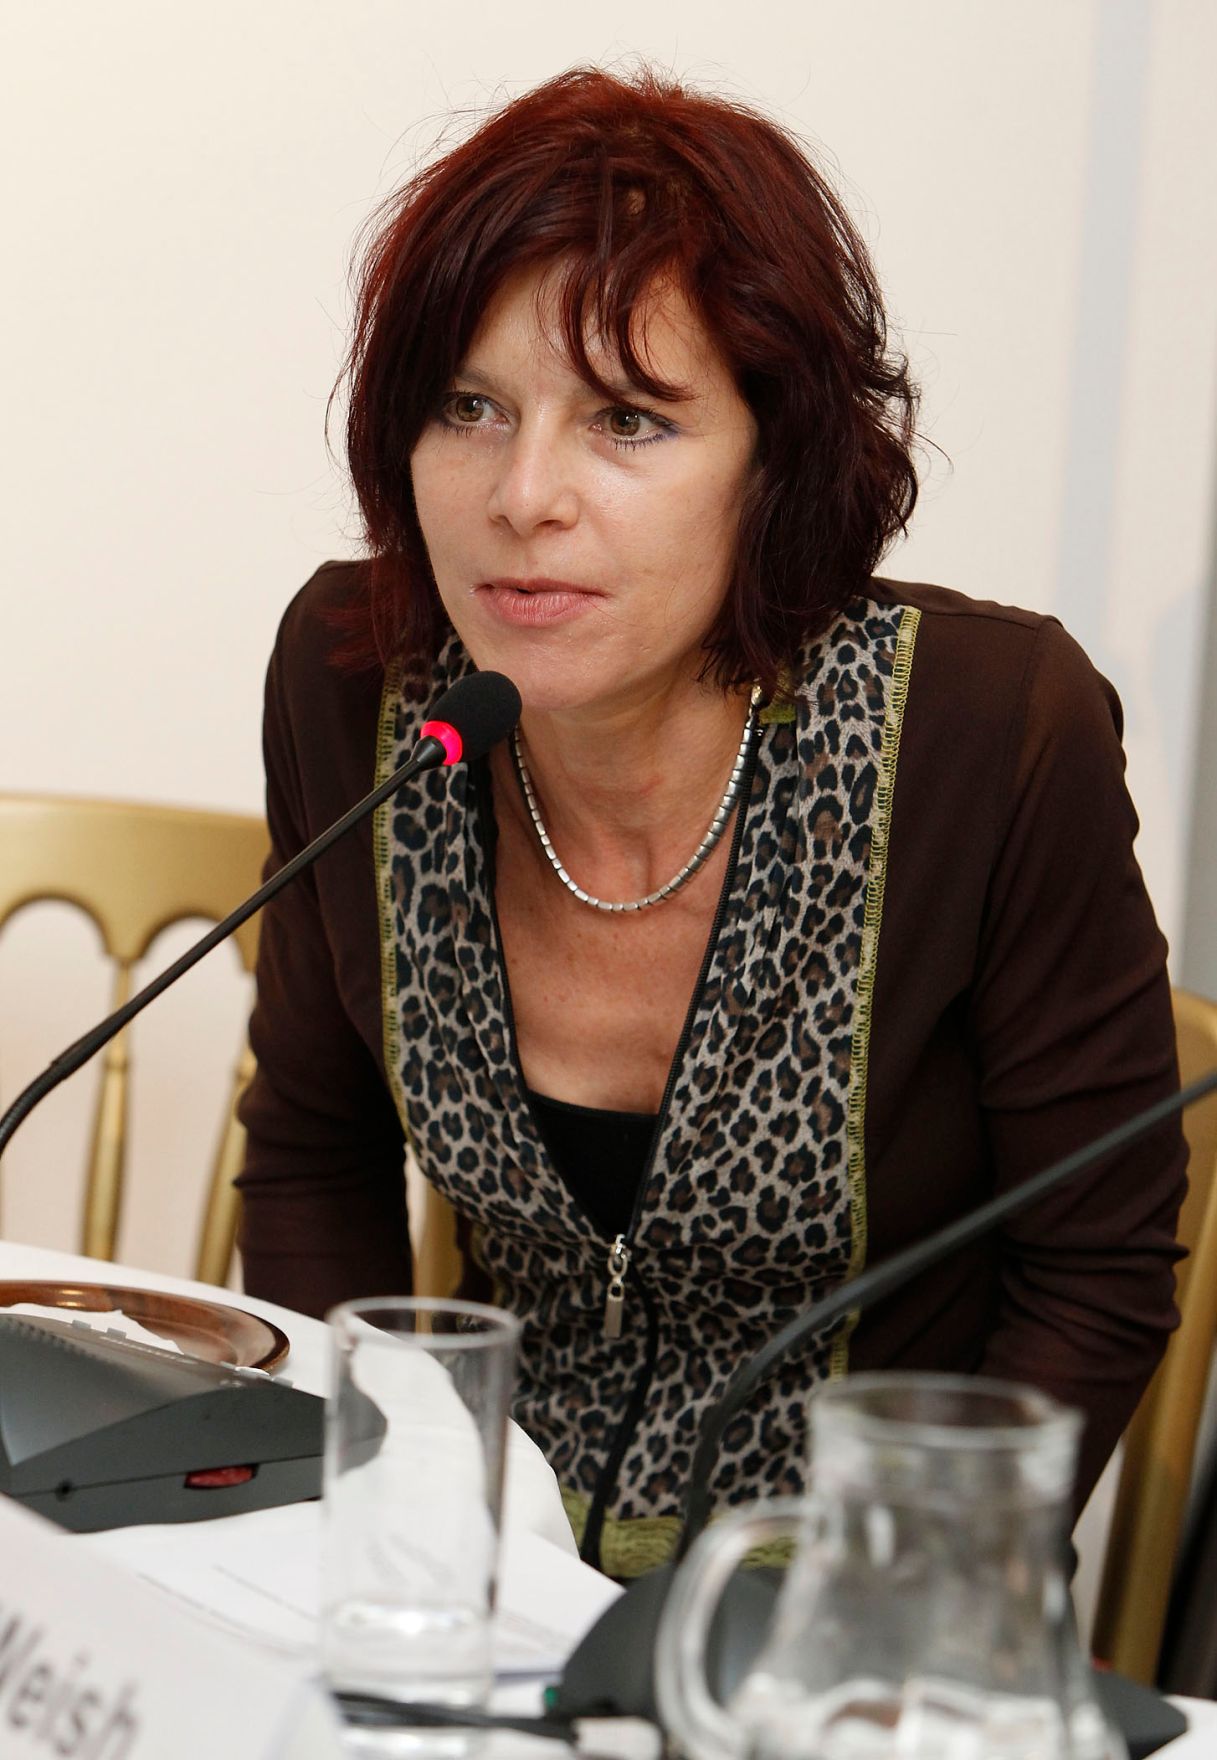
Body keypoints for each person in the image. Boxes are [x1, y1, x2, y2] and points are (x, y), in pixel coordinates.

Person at [236, 65, 1187, 1577]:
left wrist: (881, 1609)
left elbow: (1096, 1267)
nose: (522, 493)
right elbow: (310, 1155)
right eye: (468, 406)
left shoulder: (987, 731)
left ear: (774, 461)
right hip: (466, 1585)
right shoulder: (359, 680)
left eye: (627, 420)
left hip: (855, 1615)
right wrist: (382, 1517)